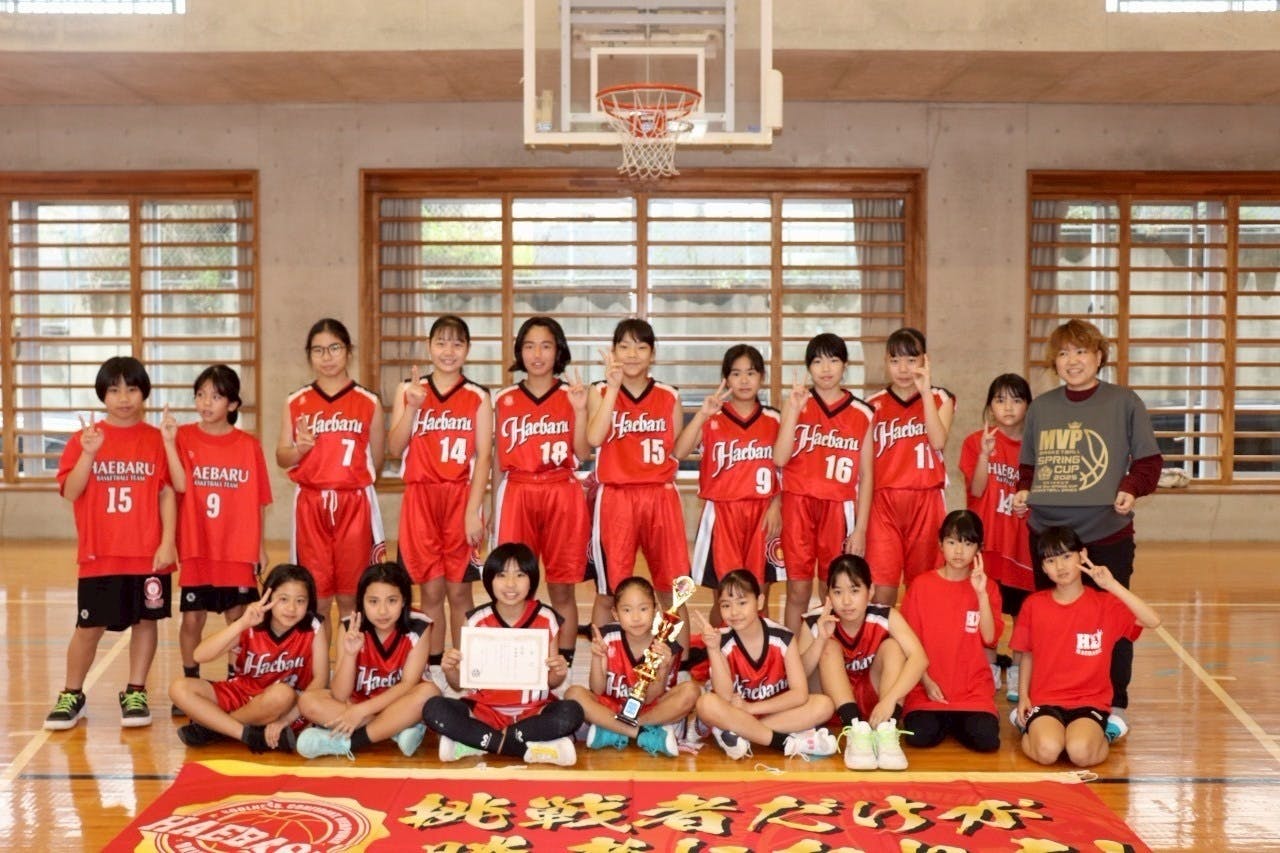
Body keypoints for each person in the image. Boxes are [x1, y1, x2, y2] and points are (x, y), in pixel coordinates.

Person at [1012, 319, 1162, 741]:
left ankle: (1113, 709)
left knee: (1114, 623)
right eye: (1063, 353)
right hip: (1049, 537)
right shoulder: (1042, 407)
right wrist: (1023, 490)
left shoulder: (1124, 401)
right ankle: (1042, 702)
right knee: (1050, 624)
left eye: (1081, 351)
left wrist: (1130, 488)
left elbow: (1149, 463)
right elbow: (1029, 467)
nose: (1072, 361)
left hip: (1105, 534)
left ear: (1098, 357)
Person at [44, 356, 177, 731]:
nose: (123, 398)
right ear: (102, 394)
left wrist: (168, 542)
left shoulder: (156, 440)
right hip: (99, 552)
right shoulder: (84, 439)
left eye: (131, 389)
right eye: (114, 390)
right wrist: (89, 453)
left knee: (146, 622)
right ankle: (72, 693)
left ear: (144, 393)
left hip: (147, 552)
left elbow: (168, 494)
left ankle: (135, 691)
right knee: (88, 627)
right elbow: (71, 491)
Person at [386, 315, 492, 682]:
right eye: (441, 342)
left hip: (460, 498)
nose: (449, 351)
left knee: (460, 592)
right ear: (429, 347)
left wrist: (474, 511)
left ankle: (466, 671)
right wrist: (413, 407)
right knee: (430, 591)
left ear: (468, 350)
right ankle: (432, 673)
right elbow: (394, 447)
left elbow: (484, 457)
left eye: (457, 343)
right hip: (420, 499)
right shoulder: (409, 390)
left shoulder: (478, 396)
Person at [163, 365, 272, 701]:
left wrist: (260, 545)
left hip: (237, 547)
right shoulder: (182, 437)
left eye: (215, 396)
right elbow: (178, 485)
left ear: (233, 404)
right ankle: (191, 679)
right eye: (200, 395)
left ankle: (235, 683)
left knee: (238, 619)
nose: (206, 402)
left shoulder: (248, 445)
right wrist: (168, 442)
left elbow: (259, 500)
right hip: (198, 545)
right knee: (192, 618)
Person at [422, 542, 584, 766]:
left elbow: (551, 683)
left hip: (533, 712)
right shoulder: (476, 620)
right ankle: (524, 746)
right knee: (434, 709)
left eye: (520, 575)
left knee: (572, 712)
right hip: (483, 712)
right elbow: (459, 685)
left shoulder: (546, 618)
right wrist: (450, 669)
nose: (510, 584)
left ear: (532, 579)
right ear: (490, 579)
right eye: (501, 575)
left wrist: (559, 671)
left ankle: (480, 742)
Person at [1011, 527, 1161, 767]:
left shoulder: (1105, 604)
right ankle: (1026, 725)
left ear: (1082, 555)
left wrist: (1112, 585)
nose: (1060, 566)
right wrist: (1023, 697)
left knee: (1080, 753)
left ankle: (1107, 732)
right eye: (1051, 560)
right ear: (1043, 568)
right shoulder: (1034, 605)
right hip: (1045, 700)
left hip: (1090, 702)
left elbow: (1153, 620)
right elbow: (1027, 653)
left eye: (1066, 556)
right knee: (1048, 751)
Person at [491, 316, 591, 663]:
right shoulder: (503, 398)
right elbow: (496, 460)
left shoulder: (572, 395)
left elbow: (583, 453)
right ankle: (518, 661)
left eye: (546, 346)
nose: (537, 354)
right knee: (514, 584)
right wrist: (491, 507)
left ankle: (563, 663)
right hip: (517, 491)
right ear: (519, 351)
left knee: (562, 587)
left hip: (561, 490)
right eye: (530, 346)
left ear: (558, 350)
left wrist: (580, 411)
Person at [276, 318, 386, 624]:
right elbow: (282, 457)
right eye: (318, 350)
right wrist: (299, 450)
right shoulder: (295, 402)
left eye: (334, 348)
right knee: (317, 598)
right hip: (311, 505)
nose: (327, 357)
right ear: (309, 355)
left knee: (353, 597)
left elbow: (376, 460)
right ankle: (320, 657)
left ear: (348, 351)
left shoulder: (369, 402)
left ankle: (351, 656)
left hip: (355, 504)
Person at [587, 318, 690, 634]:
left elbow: (678, 450)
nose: (632, 354)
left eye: (641, 347)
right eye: (624, 346)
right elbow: (593, 438)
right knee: (610, 591)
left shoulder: (669, 395)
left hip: (660, 494)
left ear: (653, 354)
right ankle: (606, 658)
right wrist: (613, 388)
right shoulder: (599, 391)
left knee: (674, 590)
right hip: (617, 497)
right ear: (614, 351)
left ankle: (678, 658)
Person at [772, 333, 874, 635]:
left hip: (838, 508)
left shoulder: (863, 413)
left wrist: (861, 528)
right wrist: (793, 410)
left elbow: (867, 475)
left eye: (833, 360)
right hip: (798, 504)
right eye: (817, 361)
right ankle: (792, 654)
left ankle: (832, 652)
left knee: (835, 590)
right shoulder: (796, 403)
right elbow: (779, 458)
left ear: (845, 365)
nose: (826, 368)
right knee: (797, 590)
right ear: (808, 367)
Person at [169, 564, 328, 753]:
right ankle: (248, 735)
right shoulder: (252, 622)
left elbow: (320, 679)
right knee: (179, 688)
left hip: (285, 707)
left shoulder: (313, 627)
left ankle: (216, 728)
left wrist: (287, 720)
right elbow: (199, 655)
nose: (291, 608)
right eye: (283, 599)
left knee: (282, 694)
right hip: (243, 693)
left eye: (300, 601)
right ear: (268, 596)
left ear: (309, 602)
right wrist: (241, 623)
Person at [296, 562, 441, 759]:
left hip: (397, 704)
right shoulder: (350, 627)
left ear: (404, 600)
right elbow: (339, 694)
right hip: (358, 706)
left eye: (392, 601)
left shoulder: (419, 626)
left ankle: (349, 742)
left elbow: (408, 684)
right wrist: (350, 654)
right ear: (361, 601)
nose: (382, 611)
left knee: (429, 693)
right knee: (307, 701)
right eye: (373, 601)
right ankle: (394, 729)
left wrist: (361, 711)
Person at [675, 344, 782, 603]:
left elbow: (786, 469)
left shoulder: (775, 419)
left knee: (759, 597)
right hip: (722, 514)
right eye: (736, 373)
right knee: (725, 597)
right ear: (725, 379)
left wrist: (777, 505)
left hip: (763, 513)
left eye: (751, 373)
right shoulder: (713, 417)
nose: (744, 380)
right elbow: (678, 452)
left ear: (762, 378)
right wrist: (701, 415)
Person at [692, 570, 837, 760]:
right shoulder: (720, 640)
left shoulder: (783, 637)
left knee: (824, 705)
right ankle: (785, 742)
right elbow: (725, 696)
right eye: (726, 605)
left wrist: (751, 709)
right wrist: (712, 649)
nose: (734, 612)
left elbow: (800, 694)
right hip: (735, 712)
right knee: (705, 704)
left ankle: (739, 734)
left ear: (759, 601)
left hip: (770, 712)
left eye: (742, 603)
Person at [804, 555, 927, 770]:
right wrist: (820, 640)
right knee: (828, 647)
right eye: (838, 592)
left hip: (877, 706)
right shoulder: (816, 620)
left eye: (854, 591)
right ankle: (855, 732)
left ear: (870, 592)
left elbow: (920, 658)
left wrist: (890, 700)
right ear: (828, 595)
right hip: (834, 706)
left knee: (893, 647)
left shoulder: (885, 616)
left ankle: (886, 733)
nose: (846, 601)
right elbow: (797, 674)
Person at [864, 328, 955, 606]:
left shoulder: (941, 398)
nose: (903, 369)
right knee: (883, 589)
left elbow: (938, 441)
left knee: (923, 587)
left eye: (911, 360)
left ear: (925, 360)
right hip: (883, 504)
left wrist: (925, 392)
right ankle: (883, 636)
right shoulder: (871, 405)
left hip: (926, 500)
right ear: (885, 362)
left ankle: (922, 635)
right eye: (895, 360)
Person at [900, 510, 1003, 753]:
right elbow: (908, 645)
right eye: (952, 542)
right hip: (927, 688)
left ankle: (955, 719)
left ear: (979, 549)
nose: (959, 551)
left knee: (987, 740)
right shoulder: (921, 586)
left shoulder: (987, 587)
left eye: (967, 544)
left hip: (972, 692)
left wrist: (981, 594)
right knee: (919, 737)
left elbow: (990, 638)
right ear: (940, 544)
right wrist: (926, 682)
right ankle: (949, 719)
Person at [959, 373, 1034, 702]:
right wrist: (984, 456)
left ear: (1028, 406)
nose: (1008, 407)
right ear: (990, 406)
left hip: (1021, 545)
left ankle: (1017, 671)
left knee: (1023, 613)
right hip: (988, 544)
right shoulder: (975, 441)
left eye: (1016, 400)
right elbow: (976, 490)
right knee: (983, 608)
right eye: (1000, 399)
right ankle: (987, 666)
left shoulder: (1036, 446)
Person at [566, 576, 699, 756]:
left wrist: (662, 669)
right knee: (573, 694)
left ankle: (614, 729)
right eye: (627, 610)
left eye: (643, 609)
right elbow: (597, 689)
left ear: (656, 610)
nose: (636, 617)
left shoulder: (666, 646)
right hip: (612, 708)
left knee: (691, 691)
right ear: (615, 614)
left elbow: (651, 698)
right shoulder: (607, 637)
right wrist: (597, 658)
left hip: (650, 711)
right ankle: (641, 733)